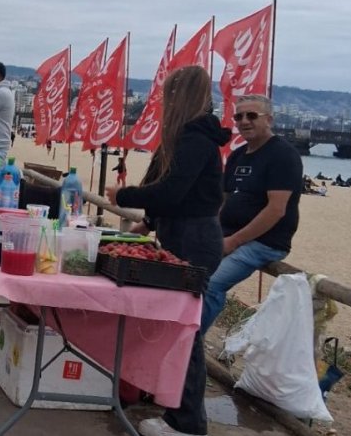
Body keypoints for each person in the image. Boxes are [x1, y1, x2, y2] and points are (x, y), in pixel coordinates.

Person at [105, 66, 231, 436]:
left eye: (168, 96)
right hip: (181, 232)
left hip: (196, 240)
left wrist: (123, 196)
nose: (163, 103)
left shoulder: (195, 140)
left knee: (185, 332)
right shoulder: (186, 138)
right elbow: (175, 194)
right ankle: (174, 409)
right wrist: (152, 222)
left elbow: (173, 192)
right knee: (175, 328)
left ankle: (188, 423)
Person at [201, 94, 303, 338]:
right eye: (239, 116)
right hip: (227, 234)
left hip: (265, 242)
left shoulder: (283, 155)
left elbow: (276, 209)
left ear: (269, 119)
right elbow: (222, 201)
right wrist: (211, 232)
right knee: (189, 271)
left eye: (252, 115)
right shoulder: (237, 155)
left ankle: (191, 345)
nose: (244, 121)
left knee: (212, 284)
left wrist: (233, 241)